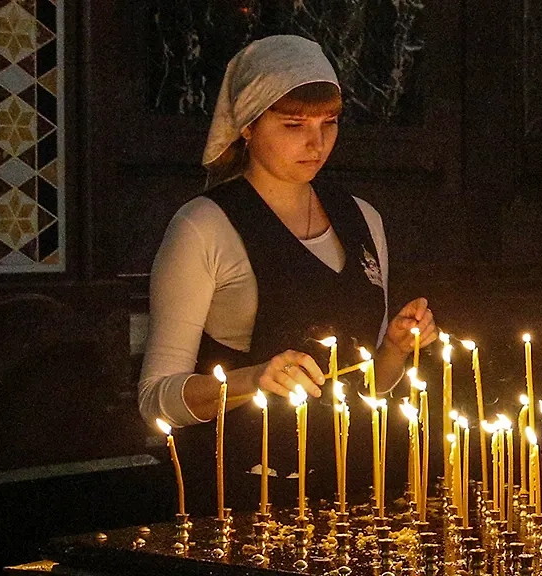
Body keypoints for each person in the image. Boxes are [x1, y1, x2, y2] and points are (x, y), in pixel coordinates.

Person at [137, 35, 437, 515]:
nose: (315, 143)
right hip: (241, 495)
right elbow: (157, 400)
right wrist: (254, 379)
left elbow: (370, 386)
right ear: (249, 127)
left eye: (329, 123)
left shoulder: (363, 219)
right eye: (294, 124)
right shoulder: (205, 225)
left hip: (352, 489)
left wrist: (397, 350)